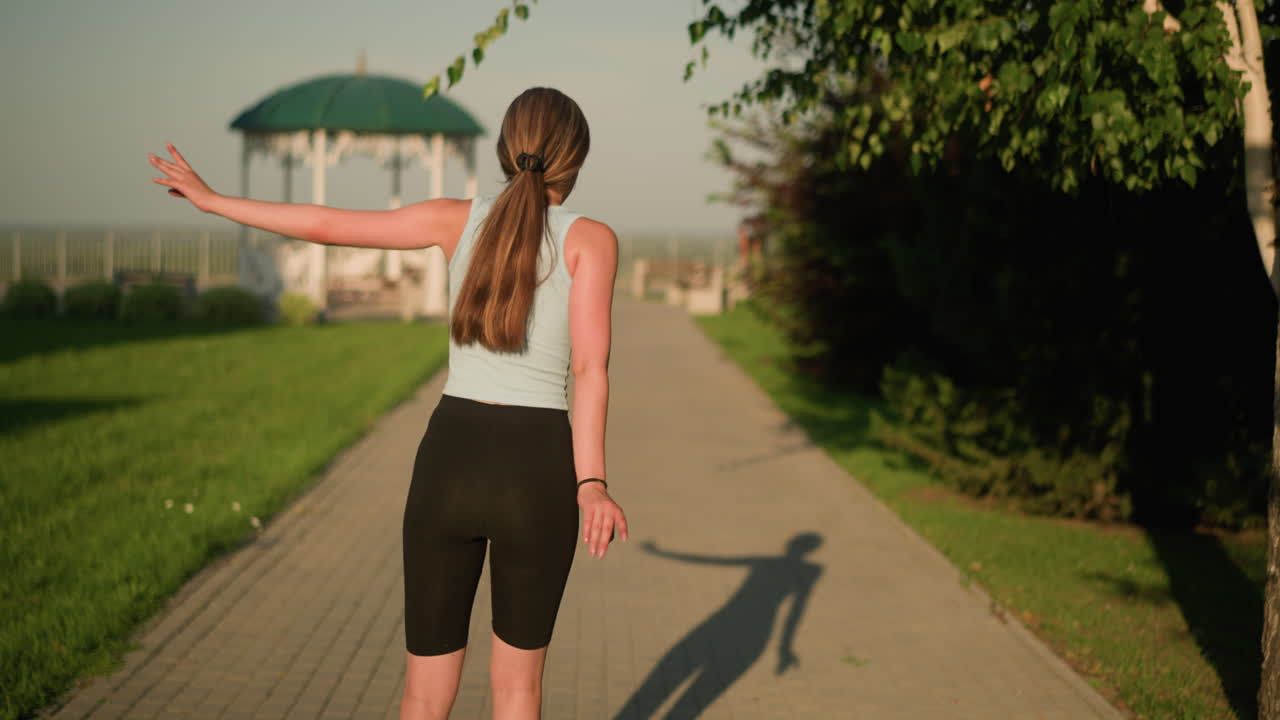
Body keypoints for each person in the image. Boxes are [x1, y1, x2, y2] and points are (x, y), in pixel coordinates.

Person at [148, 86, 629, 720]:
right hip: (536, 474)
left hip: (447, 463)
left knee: (424, 695)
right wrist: (590, 481)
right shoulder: (591, 239)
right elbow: (591, 369)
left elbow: (326, 223)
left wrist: (213, 202)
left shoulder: (453, 219)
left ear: (506, 150)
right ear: (578, 156)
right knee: (517, 691)